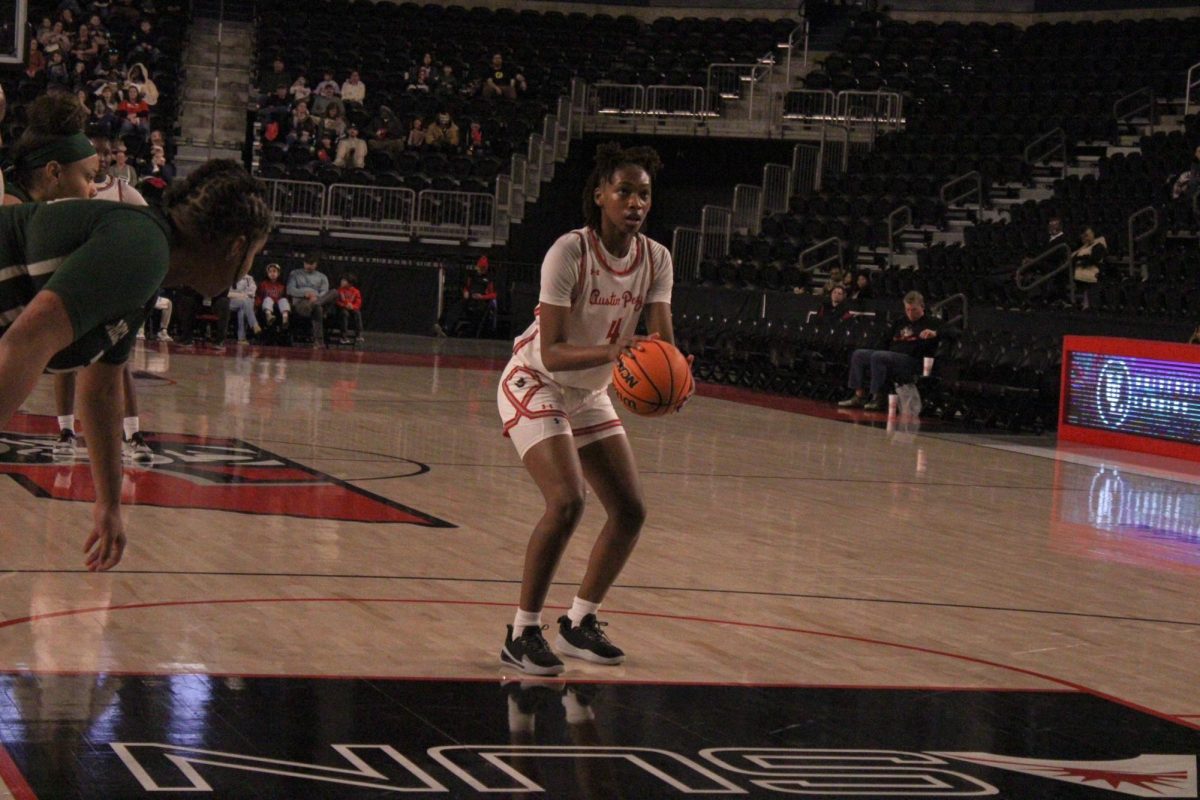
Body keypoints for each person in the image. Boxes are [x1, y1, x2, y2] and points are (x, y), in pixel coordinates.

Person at [0, 158, 274, 571]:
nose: (248, 267)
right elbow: (26, 341)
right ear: (237, 246)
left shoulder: (146, 264)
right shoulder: (141, 246)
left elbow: (103, 388)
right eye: (255, 253)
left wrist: (109, 503)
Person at [497, 143, 685, 675]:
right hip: (537, 378)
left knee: (630, 510)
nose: (635, 202)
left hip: (589, 390)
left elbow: (662, 345)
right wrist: (615, 353)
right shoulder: (569, 252)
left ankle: (580, 622)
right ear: (600, 195)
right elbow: (553, 351)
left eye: (643, 194)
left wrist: (674, 378)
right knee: (568, 502)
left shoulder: (656, 259)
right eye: (624, 191)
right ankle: (522, 632)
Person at [838, 291, 941, 411]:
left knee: (879, 356)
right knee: (859, 354)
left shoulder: (931, 322)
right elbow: (886, 339)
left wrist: (935, 333)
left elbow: (954, 331)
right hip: (892, 354)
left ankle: (879, 397)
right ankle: (859, 395)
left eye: (914, 310)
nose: (910, 313)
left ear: (922, 307)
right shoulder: (900, 321)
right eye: (907, 309)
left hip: (912, 359)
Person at [286, 256, 338, 347]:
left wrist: (315, 297)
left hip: (317, 300)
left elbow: (324, 291)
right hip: (301, 303)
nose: (309, 266)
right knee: (318, 308)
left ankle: (318, 342)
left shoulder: (322, 276)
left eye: (312, 264)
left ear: (316, 264)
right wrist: (305, 294)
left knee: (334, 292)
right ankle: (319, 341)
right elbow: (290, 290)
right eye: (307, 264)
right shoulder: (295, 274)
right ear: (304, 263)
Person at [442, 254, 497, 336]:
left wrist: (482, 297)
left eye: (483, 268)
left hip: (481, 301)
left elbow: (494, 294)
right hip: (469, 299)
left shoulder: (489, 279)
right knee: (456, 306)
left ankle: (468, 333)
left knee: (478, 313)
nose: (481, 270)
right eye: (480, 267)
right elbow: (466, 287)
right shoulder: (472, 276)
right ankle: (447, 328)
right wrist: (465, 292)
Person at [1071, 226, 1107, 308]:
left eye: (1088, 234)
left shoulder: (1099, 245)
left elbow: (1094, 259)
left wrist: (1082, 260)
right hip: (1080, 274)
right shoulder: (1081, 247)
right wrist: (1081, 258)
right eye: (1085, 235)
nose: (1087, 237)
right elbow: (1073, 258)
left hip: (1093, 272)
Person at [229, 271, 260, 344]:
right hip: (230, 303)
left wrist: (239, 295)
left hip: (244, 302)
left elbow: (252, 292)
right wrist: (240, 295)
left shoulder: (249, 278)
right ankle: (254, 324)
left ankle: (241, 339)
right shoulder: (229, 277)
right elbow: (227, 293)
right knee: (245, 302)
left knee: (243, 309)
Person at [255, 262, 290, 327]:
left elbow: (286, 297)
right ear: (267, 274)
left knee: (284, 300)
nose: (272, 273)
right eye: (270, 272)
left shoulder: (281, 285)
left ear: (278, 274)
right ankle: (269, 316)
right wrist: (256, 304)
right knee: (267, 299)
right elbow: (259, 296)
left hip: (278, 302)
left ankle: (285, 318)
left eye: (274, 271)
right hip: (267, 303)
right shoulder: (263, 284)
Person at [335, 273, 364, 344]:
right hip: (342, 308)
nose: (341, 282)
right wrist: (344, 305)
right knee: (344, 314)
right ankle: (343, 337)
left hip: (352, 308)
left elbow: (358, 302)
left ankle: (359, 335)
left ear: (350, 283)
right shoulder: (339, 290)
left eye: (344, 281)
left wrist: (353, 306)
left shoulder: (356, 291)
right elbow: (336, 301)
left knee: (357, 313)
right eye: (341, 280)